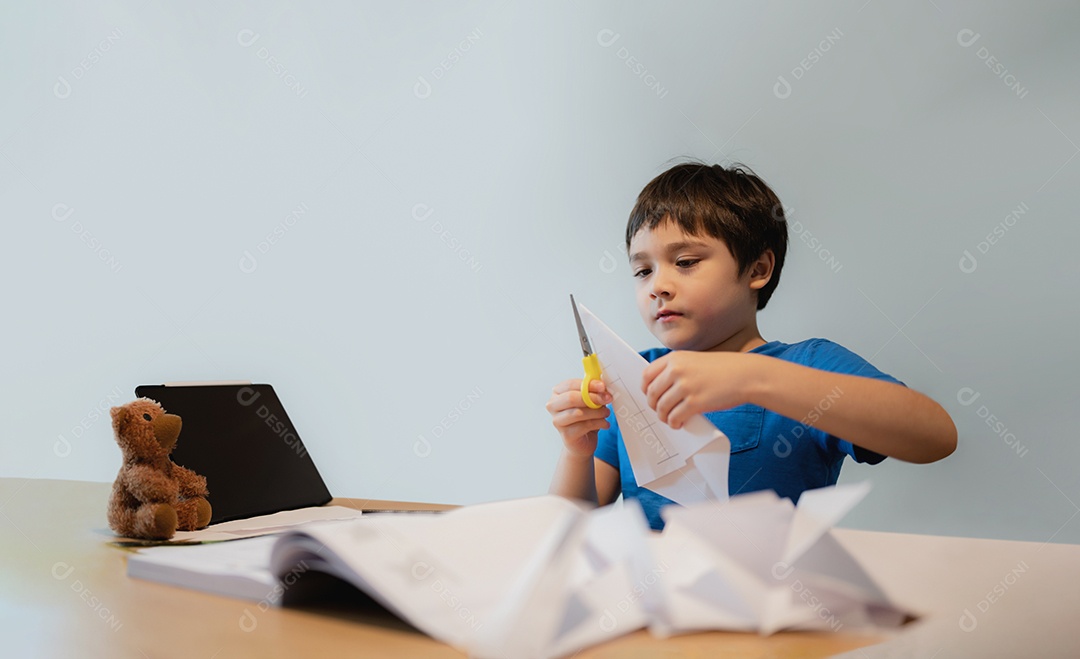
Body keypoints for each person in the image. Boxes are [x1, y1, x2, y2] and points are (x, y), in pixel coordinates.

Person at [546, 162, 957, 530]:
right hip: (657, 606)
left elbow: (935, 436)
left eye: (686, 262)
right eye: (642, 270)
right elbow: (570, 530)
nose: (658, 287)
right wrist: (576, 453)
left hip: (773, 603)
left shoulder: (805, 364)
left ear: (758, 269)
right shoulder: (633, 378)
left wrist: (752, 377)